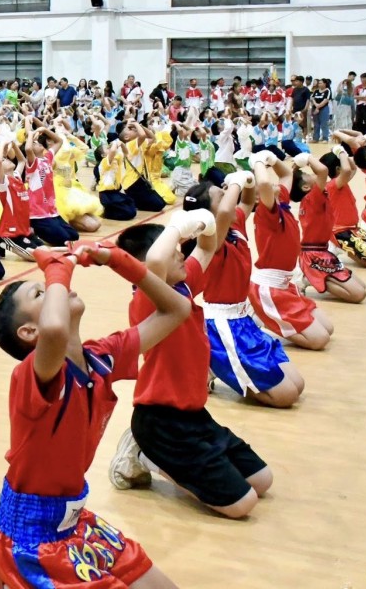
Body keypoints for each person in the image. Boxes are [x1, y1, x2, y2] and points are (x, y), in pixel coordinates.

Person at [0, 240, 191, 589]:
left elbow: (176, 310)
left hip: (73, 521)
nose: (56, 291)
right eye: (42, 294)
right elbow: (54, 331)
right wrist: (56, 269)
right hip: (30, 539)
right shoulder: (31, 375)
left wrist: (117, 258)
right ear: (29, 332)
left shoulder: (101, 357)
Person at [110, 209, 275, 519]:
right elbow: (157, 262)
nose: (180, 255)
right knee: (243, 505)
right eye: (175, 253)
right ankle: (145, 456)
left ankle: (161, 456)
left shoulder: (182, 286)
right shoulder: (145, 299)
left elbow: (207, 247)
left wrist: (206, 224)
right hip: (162, 424)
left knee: (262, 481)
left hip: (195, 416)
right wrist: (176, 226)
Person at [184, 175, 305, 409]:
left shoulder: (234, 224)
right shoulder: (210, 241)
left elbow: (247, 203)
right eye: (220, 194)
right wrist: (238, 181)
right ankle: (211, 359)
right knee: (286, 397)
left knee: (297, 385)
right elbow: (225, 211)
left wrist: (248, 183)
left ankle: (212, 364)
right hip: (222, 325)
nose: (226, 191)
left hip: (243, 319)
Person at [245, 150, 333, 350]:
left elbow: (286, 175)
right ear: (257, 198)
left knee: (328, 329)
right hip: (270, 289)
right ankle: (261, 320)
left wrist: (274, 160)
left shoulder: (281, 202)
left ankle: (266, 316)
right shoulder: (265, 213)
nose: (272, 184)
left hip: (286, 285)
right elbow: (265, 184)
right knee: (320, 340)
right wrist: (258, 161)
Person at [293, 152, 366, 304]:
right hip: (313, 256)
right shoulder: (312, 197)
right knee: (359, 295)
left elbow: (342, 171)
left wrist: (295, 168)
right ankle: (310, 277)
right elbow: (322, 170)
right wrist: (307, 158)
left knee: (362, 287)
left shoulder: (316, 195)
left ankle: (312, 276)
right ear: (306, 187)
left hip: (322, 251)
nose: (311, 173)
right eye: (307, 175)